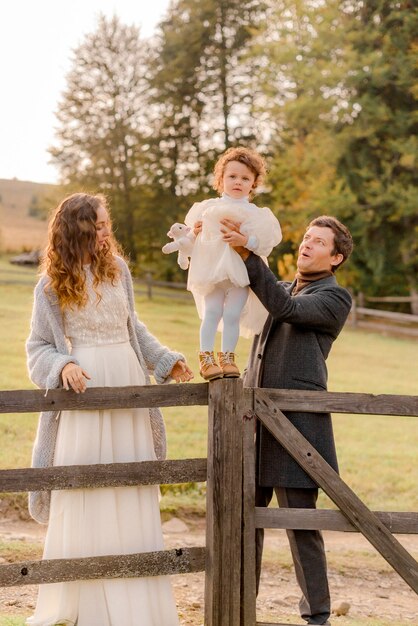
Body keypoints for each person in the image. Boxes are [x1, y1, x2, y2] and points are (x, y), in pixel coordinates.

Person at [26, 192, 193, 626]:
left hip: (129, 386)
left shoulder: (118, 270)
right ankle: (85, 602)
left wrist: (162, 359)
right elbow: (38, 348)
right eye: (97, 226)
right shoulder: (50, 285)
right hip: (85, 395)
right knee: (84, 484)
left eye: (106, 225)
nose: (106, 233)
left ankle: (136, 602)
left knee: (130, 481)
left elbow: (131, 326)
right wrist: (63, 365)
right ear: (77, 229)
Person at [222, 215, 353, 626]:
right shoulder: (277, 286)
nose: (306, 245)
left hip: (298, 428)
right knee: (248, 522)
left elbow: (287, 309)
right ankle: (243, 605)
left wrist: (250, 252)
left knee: (301, 526)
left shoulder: (335, 299)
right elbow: (236, 297)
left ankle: (317, 616)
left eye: (318, 242)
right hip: (254, 425)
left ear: (336, 258)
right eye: (306, 238)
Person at [183, 146, 282, 381]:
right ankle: (206, 358)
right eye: (232, 176)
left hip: (240, 271)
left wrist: (245, 239)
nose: (238, 182)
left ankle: (228, 357)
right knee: (213, 311)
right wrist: (195, 233)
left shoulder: (257, 214)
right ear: (221, 179)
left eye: (245, 178)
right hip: (212, 270)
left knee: (233, 314)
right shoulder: (206, 208)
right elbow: (190, 241)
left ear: (254, 184)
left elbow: (265, 243)